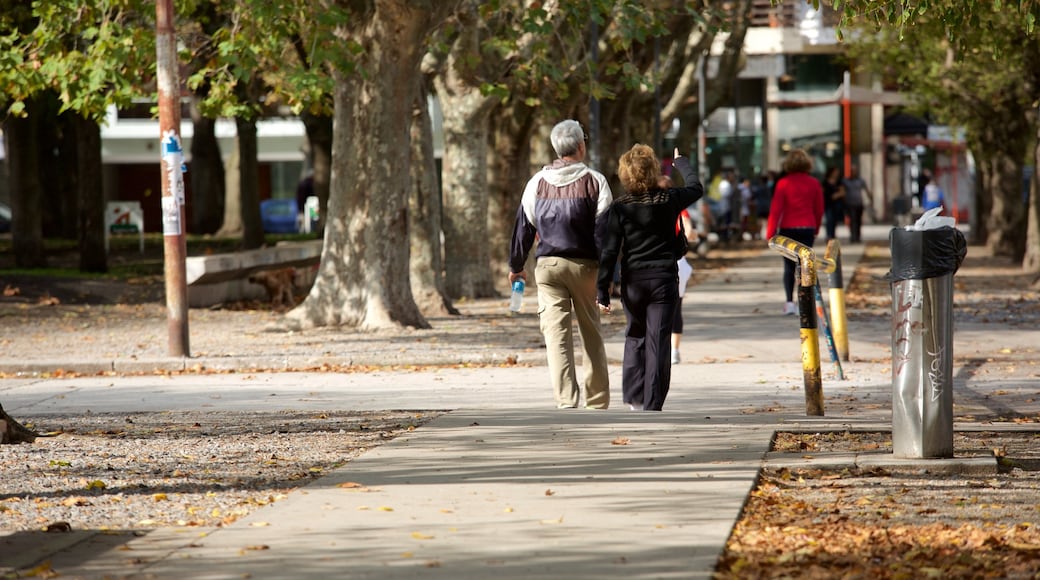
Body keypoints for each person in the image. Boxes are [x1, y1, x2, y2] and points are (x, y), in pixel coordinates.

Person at [508, 119, 613, 410]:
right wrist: (607, 276)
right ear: (581, 146)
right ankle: (596, 400)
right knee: (591, 331)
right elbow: (604, 234)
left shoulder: (536, 183)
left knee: (556, 337)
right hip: (585, 267)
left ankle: (566, 400)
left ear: (556, 148)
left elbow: (523, 229)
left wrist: (516, 266)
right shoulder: (596, 181)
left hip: (548, 267)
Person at [596, 145, 704, 411]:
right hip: (663, 280)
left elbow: (610, 251)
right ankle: (652, 403)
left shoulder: (620, 208)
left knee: (635, 336)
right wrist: (682, 164)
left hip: (633, 282)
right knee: (659, 340)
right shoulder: (668, 199)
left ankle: (634, 397)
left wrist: (603, 290)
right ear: (654, 171)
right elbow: (696, 187)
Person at [765, 149, 824, 316]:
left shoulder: (783, 183)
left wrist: (770, 233)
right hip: (807, 228)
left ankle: (789, 302)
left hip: (788, 229)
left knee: (789, 267)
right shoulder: (814, 183)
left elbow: (776, 210)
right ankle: (803, 303)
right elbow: (819, 209)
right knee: (805, 265)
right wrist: (817, 228)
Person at [841, 164, 871, 244]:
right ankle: (853, 236)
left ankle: (857, 236)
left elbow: (866, 190)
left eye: (855, 170)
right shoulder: (845, 181)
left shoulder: (861, 181)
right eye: (852, 171)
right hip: (849, 204)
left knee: (858, 221)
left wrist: (870, 198)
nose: (853, 172)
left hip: (859, 203)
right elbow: (842, 191)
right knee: (852, 220)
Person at [821, 165, 845, 241]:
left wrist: (836, 195)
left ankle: (833, 235)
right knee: (829, 219)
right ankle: (829, 235)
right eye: (835, 172)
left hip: (836, 204)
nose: (836, 173)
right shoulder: (825, 181)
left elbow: (843, 192)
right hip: (828, 203)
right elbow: (822, 191)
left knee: (834, 220)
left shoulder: (839, 181)